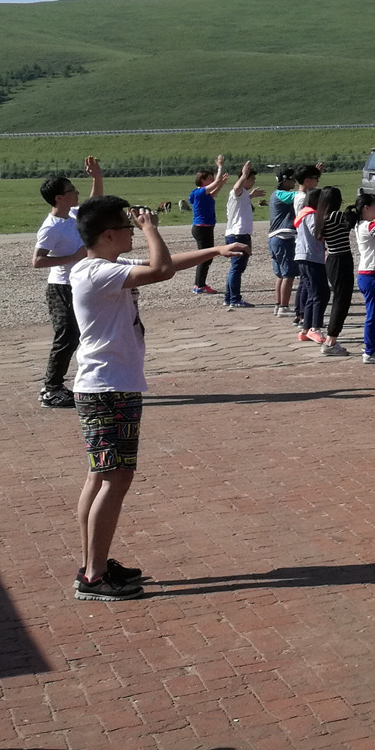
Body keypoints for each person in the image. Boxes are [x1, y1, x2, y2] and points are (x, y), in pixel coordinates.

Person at [67, 196, 246, 600]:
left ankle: (93, 563)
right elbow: (161, 269)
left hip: (106, 384)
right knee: (116, 476)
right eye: (128, 228)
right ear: (108, 234)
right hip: (108, 386)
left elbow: (163, 264)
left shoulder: (99, 268)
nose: (133, 232)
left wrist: (215, 249)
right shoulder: (98, 272)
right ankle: (94, 577)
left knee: (101, 475)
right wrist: (151, 228)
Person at [34, 157, 104, 408]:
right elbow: (37, 261)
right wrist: (72, 257)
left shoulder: (74, 214)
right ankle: (51, 388)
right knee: (67, 335)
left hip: (80, 284)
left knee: (84, 334)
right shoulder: (51, 227)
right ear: (58, 198)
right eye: (71, 190)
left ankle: (88, 382)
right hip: (61, 287)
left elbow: (94, 204)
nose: (76, 193)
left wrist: (96, 177)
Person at [293, 187, 334, 348]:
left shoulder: (304, 213)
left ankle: (305, 329)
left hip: (304, 256)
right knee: (321, 294)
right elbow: (317, 232)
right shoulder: (311, 215)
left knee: (312, 294)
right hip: (311, 258)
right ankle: (315, 327)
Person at [349, 195, 375, 362]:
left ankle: (371, 348)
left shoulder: (363, 224)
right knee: (374, 314)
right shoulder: (366, 226)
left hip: (372, 273)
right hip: (371, 274)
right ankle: (369, 350)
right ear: (366, 207)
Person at [319, 186, 355, 354]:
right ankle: (331, 341)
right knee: (341, 301)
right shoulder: (335, 215)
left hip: (334, 259)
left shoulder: (322, 216)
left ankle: (331, 339)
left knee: (340, 299)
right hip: (341, 259)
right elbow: (352, 220)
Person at [186, 157, 228, 294]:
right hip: (201, 228)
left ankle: (200, 284)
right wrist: (220, 167)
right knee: (205, 257)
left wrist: (221, 183)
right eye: (210, 178)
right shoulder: (199, 192)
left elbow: (215, 190)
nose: (212, 180)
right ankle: (199, 285)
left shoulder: (205, 194)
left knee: (207, 257)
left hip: (205, 227)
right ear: (203, 180)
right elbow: (215, 183)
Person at [220, 162, 258, 309]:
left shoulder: (243, 195)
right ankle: (235, 298)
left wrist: (252, 195)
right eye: (251, 179)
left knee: (235, 268)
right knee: (236, 268)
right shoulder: (237, 191)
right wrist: (243, 174)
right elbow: (236, 187)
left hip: (238, 234)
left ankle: (229, 297)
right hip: (238, 235)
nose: (253, 182)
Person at [266, 166, 301, 317]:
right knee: (289, 274)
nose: (295, 182)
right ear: (285, 180)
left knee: (280, 274)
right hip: (284, 238)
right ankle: (284, 307)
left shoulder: (276, 194)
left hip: (275, 238)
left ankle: (278, 305)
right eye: (293, 179)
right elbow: (301, 195)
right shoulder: (283, 194)